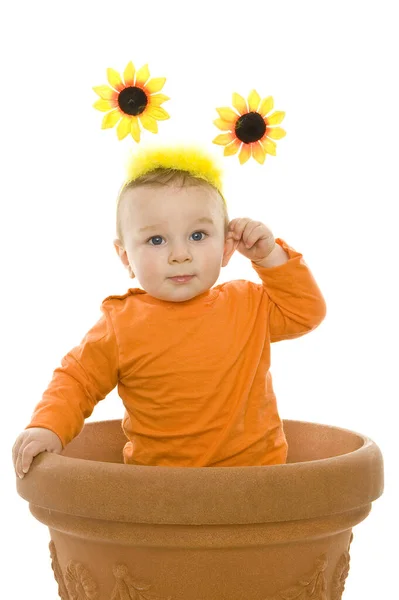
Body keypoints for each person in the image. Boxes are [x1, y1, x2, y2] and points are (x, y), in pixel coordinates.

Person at [12, 145, 326, 478]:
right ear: (125, 257)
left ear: (226, 247)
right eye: (156, 240)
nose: (180, 254)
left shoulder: (247, 303)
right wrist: (48, 426)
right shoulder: (121, 323)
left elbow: (305, 311)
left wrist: (269, 256)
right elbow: (77, 381)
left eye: (197, 235)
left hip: (256, 480)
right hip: (160, 492)